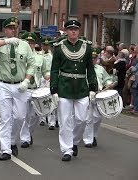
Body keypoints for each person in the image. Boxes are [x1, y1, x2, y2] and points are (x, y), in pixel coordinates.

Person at [0, 17, 35, 161]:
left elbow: (31, 64)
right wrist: (6, 41)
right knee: (5, 118)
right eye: (10, 28)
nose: (13, 30)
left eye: (15, 28)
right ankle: (5, 149)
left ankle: (12, 140)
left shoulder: (24, 45)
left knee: (19, 117)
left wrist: (27, 80)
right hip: (3, 84)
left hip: (20, 84)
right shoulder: (0, 43)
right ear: (5, 29)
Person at [50, 20, 98, 161]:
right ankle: (67, 150)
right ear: (66, 31)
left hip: (81, 88)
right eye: (70, 29)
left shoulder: (87, 47)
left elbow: (90, 69)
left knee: (82, 119)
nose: (73, 31)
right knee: (65, 121)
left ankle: (74, 142)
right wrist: (54, 89)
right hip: (64, 87)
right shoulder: (59, 47)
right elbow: (54, 70)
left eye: (75, 29)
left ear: (79, 31)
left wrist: (93, 87)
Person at [19, 32, 50, 148]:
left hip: (36, 89)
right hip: (23, 89)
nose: (30, 45)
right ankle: (24, 138)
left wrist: (49, 76)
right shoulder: (19, 56)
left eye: (32, 43)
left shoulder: (40, 57)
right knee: (24, 115)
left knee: (36, 115)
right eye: (27, 42)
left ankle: (29, 133)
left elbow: (45, 71)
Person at [83, 48, 114, 147]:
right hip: (87, 94)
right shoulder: (83, 68)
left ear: (97, 58)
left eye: (95, 58)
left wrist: (109, 84)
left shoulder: (100, 69)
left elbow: (107, 79)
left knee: (97, 118)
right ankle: (88, 139)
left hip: (99, 95)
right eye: (91, 58)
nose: (93, 60)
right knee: (88, 118)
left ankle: (93, 135)